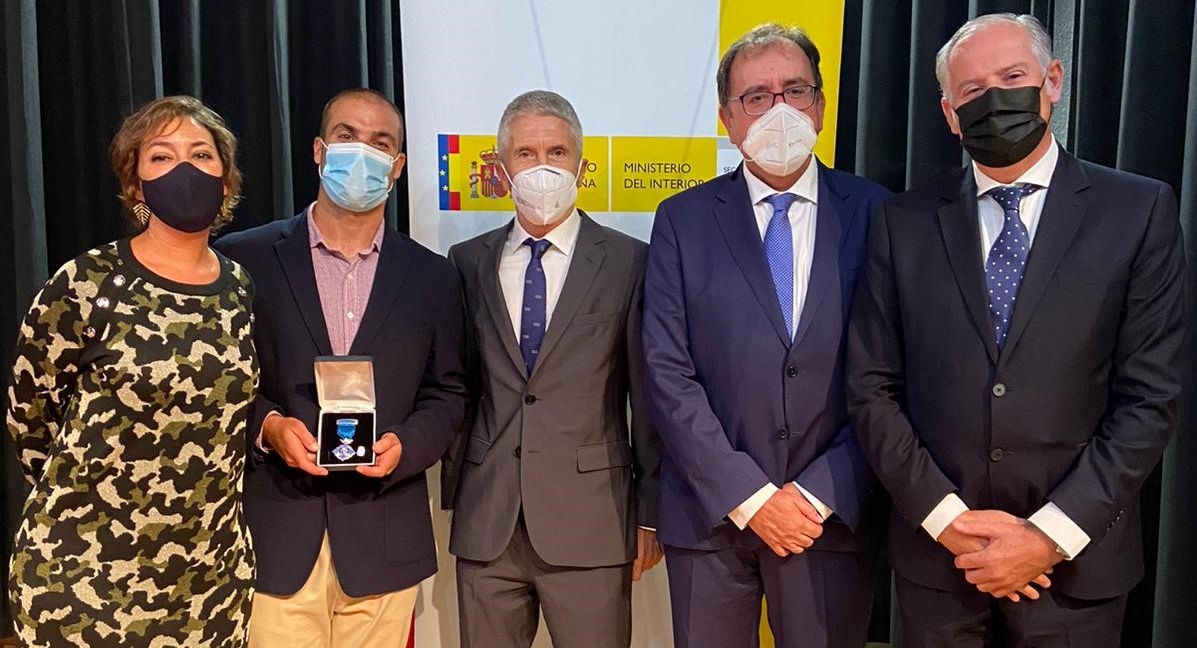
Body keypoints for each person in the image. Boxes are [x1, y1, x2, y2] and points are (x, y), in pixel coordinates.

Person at [847, 13, 1184, 647]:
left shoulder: (1137, 211)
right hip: (939, 563)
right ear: (950, 114)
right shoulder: (903, 223)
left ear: (1052, 81)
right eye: (973, 90)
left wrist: (1047, 535)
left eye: (1012, 78)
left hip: (1076, 565)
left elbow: (1150, 397)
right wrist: (948, 521)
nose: (994, 100)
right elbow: (871, 387)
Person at [642, 23, 891, 648]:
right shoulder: (682, 220)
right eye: (756, 96)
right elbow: (667, 372)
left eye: (795, 91)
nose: (779, 110)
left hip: (829, 518)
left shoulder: (879, 214)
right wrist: (749, 496)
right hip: (710, 516)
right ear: (728, 119)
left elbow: (894, 375)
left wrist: (816, 494)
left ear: (821, 107)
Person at [213, 88, 467, 648]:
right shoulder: (243, 259)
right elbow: (222, 381)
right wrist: (269, 426)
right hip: (276, 536)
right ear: (319, 150)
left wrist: (405, 444)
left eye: (380, 143)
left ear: (397, 166)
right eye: (347, 136)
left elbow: (448, 392)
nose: (362, 153)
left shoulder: (433, 277)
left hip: (384, 536)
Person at [6, 95, 256, 647]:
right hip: (82, 577)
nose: (185, 169)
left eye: (201, 155)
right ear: (136, 185)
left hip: (210, 582)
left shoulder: (239, 288)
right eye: (162, 156)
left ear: (225, 179)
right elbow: (30, 415)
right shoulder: (88, 281)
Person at [443, 89, 661, 648]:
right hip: (489, 521)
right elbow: (457, 386)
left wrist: (651, 512)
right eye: (526, 153)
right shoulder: (467, 262)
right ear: (502, 169)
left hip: (592, 519)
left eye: (557, 152)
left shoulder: (629, 261)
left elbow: (648, 398)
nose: (543, 166)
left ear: (581, 166)